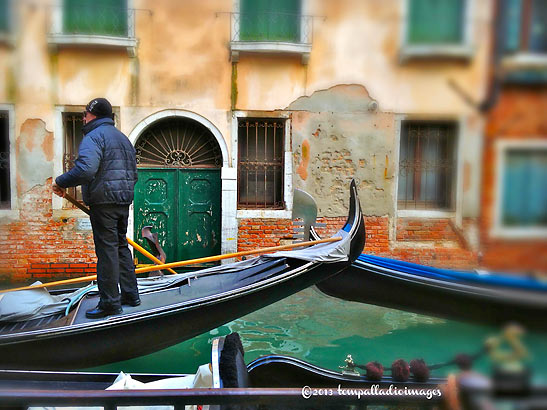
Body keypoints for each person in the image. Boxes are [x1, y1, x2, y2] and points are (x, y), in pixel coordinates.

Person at [52, 98, 140, 319]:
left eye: (85, 113)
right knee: (120, 246)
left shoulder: (94, 136)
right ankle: (131, 295)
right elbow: (134, 173)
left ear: (92, 115)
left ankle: (110, 303)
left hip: (104, 202)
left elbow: (86, 169)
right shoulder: (123, 139)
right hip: (122, 201)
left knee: (107, 251)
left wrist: (61, 182)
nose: (83, 117)